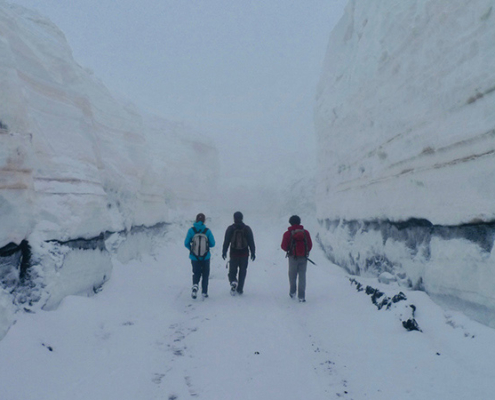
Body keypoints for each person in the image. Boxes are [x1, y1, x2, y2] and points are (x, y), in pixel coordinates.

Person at [222, 211, 256, 295]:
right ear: (242, 218)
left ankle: (233, 281)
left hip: (233, 253)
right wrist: (253, 252)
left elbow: (226, 241)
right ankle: (240, 289)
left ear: (234, 218)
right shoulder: (247, 228)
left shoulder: (230, 228)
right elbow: (251, 241)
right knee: (243, 271)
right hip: (244, 254)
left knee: (232, 271)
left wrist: (224, 251)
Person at [281, 215, 313, 302]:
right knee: (302, 276)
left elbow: (283, 246)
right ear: (300, 222)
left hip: (292, 257)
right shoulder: (306, 233)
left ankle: (292, 292)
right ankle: (301, 296)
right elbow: (310, 245)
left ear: (290, 222)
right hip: (303, 257)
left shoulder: (287, 233)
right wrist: (304, 252)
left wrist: (290, 250)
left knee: (292, 275)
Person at [184, 213, 215, 299]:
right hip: (206, 257)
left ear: (196, 219)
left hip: (194, 257)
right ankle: (204, 292)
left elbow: (186, 243)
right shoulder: (207, 231)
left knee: (196, 272)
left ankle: (195, 286)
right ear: (204, 220)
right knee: (205, 274)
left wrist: (191, 249)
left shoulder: (191, 230)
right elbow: (213, 244)